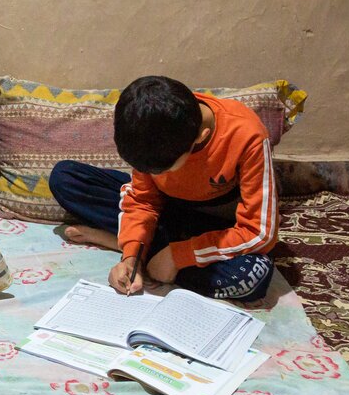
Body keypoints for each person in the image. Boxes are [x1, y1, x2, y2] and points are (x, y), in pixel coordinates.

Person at [49, 75, 277, 301]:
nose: (155, 176)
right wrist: (131, 257)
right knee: (66, 178)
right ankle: (145, 253)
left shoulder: (246, 134)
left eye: (163, 170)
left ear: (200, 137)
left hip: (216, 228)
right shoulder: (148, 126)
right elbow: (143, 201)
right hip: (167, 215)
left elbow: (260, 232)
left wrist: (179, 256)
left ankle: (147, 251)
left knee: (253, 276)